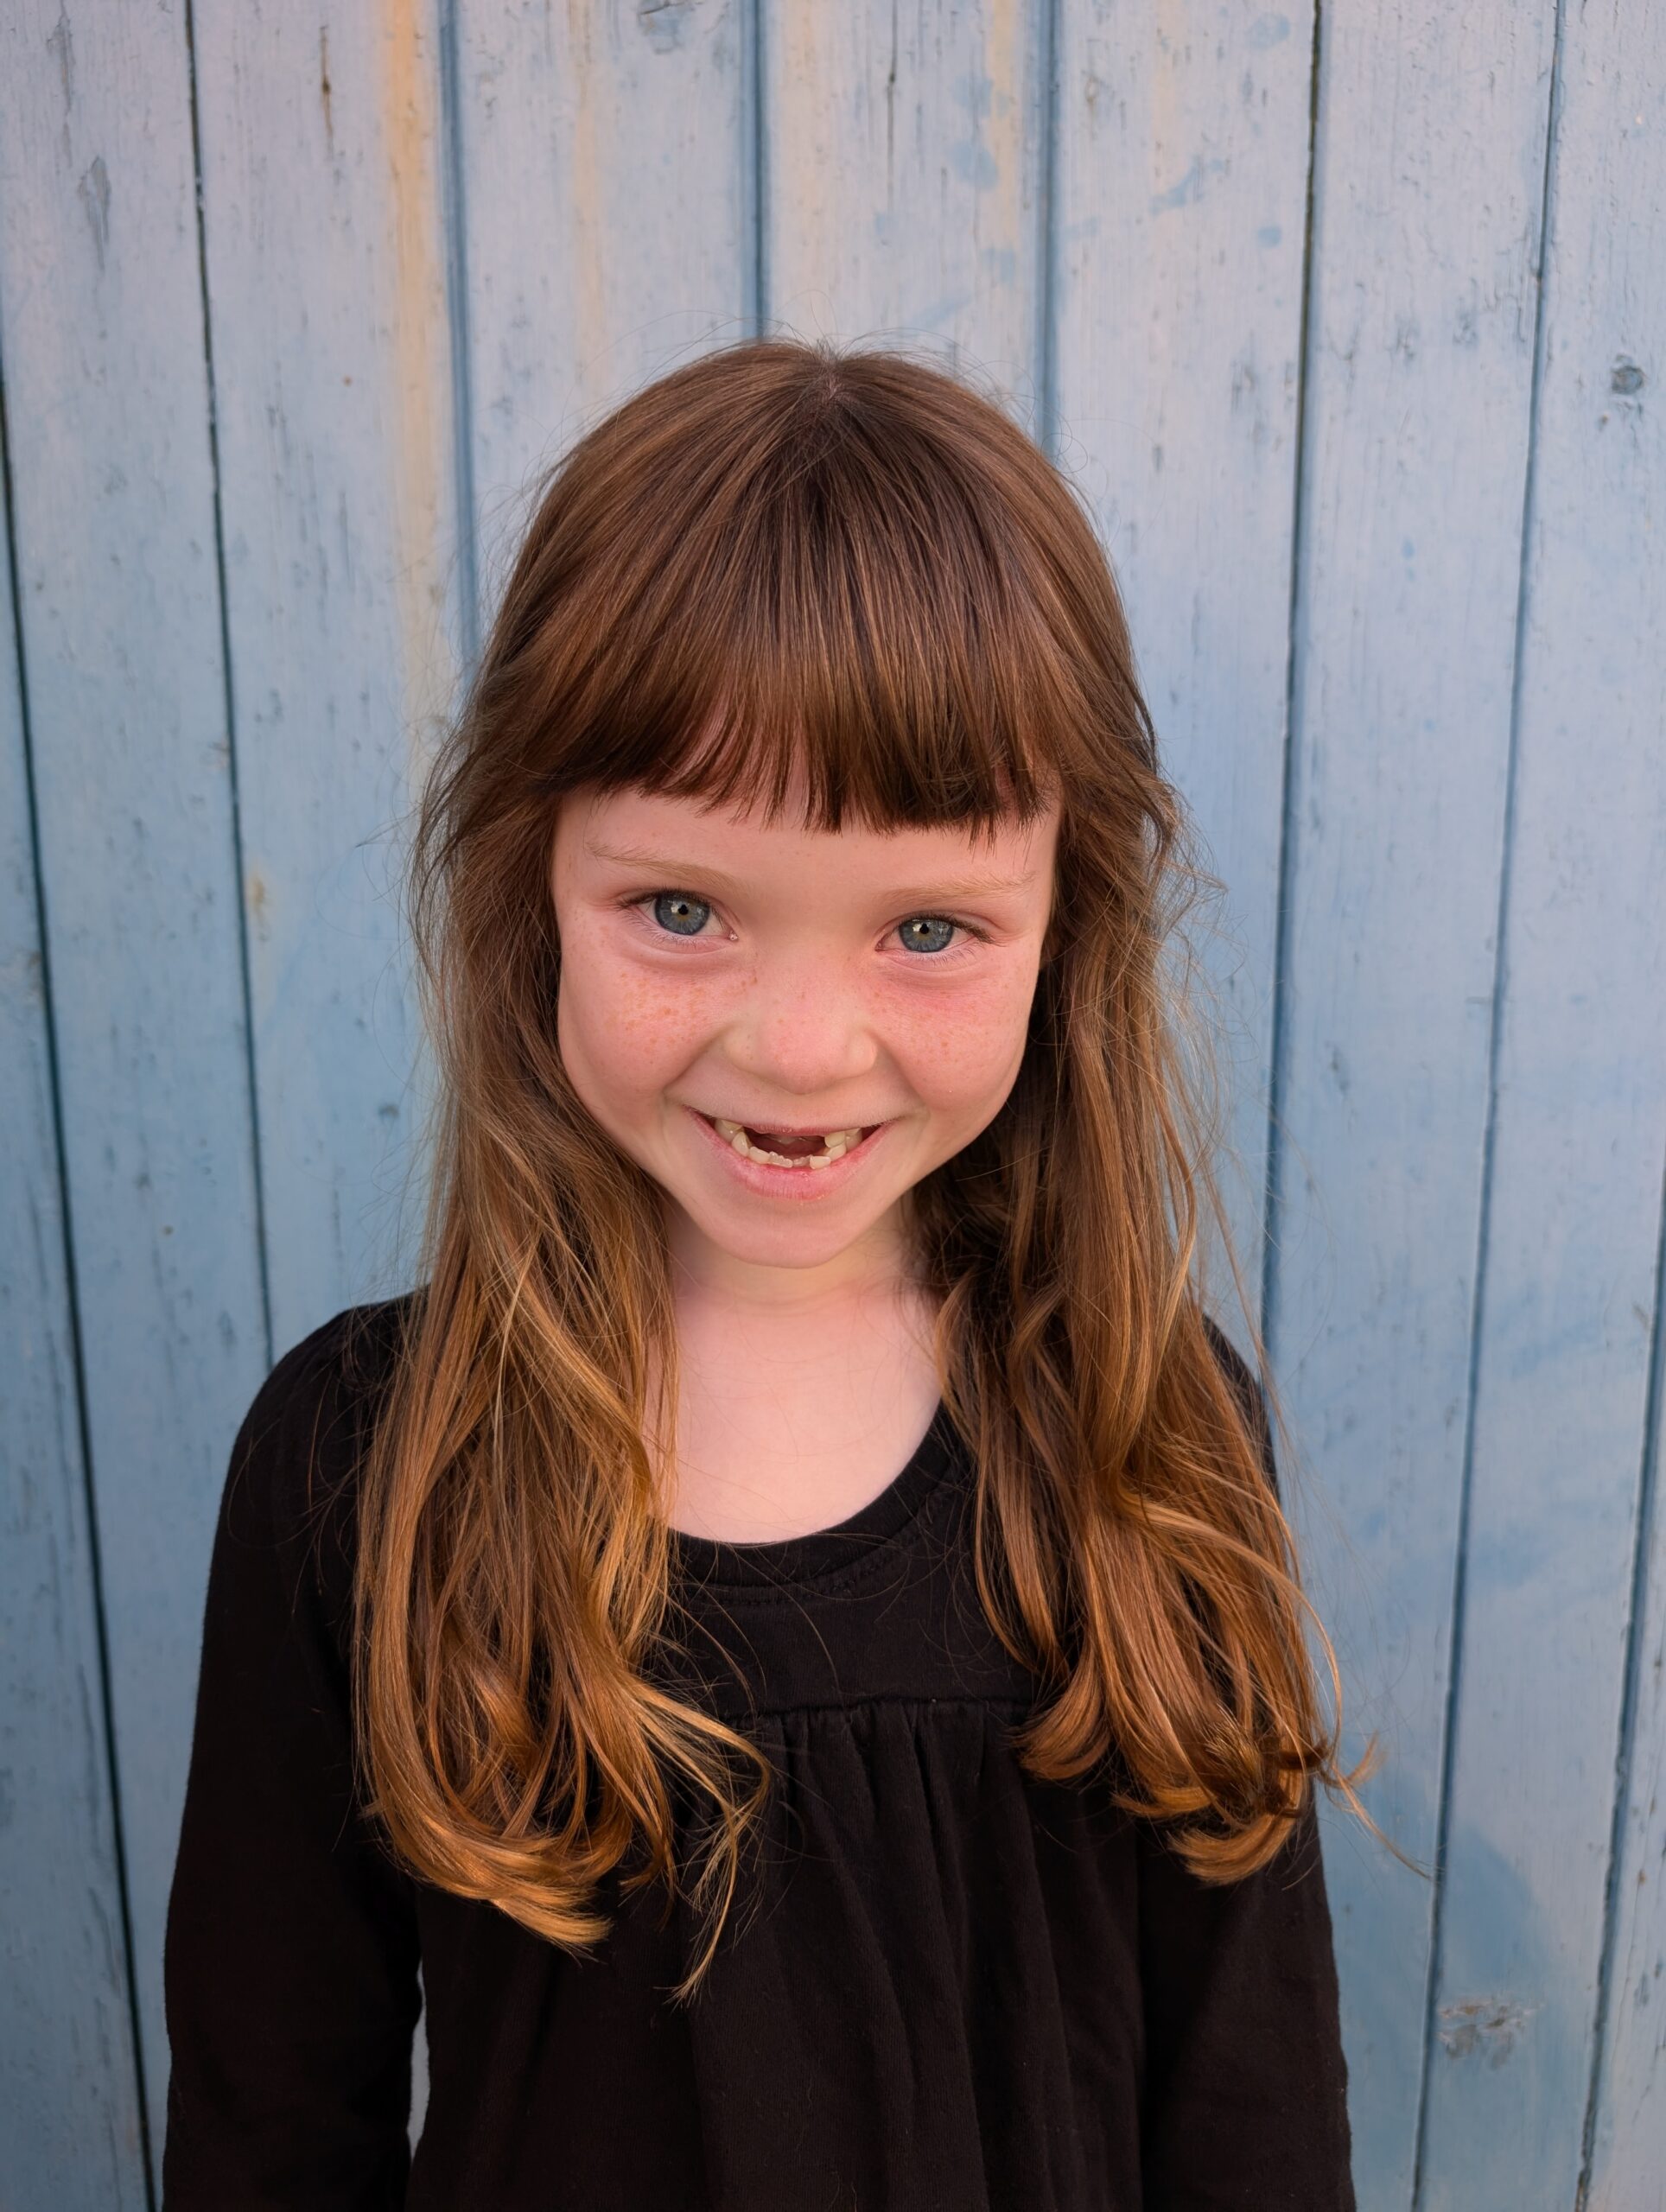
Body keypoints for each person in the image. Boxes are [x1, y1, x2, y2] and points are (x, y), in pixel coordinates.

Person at [162, 337, 1370, 2209]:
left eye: (926, 927)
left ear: (1064, 927)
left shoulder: (1144, 1425)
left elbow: (1252, 2109)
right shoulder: (359, 1469)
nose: (802, 1048)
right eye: (681, 908)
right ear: (532, 887)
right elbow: (270, 2124)